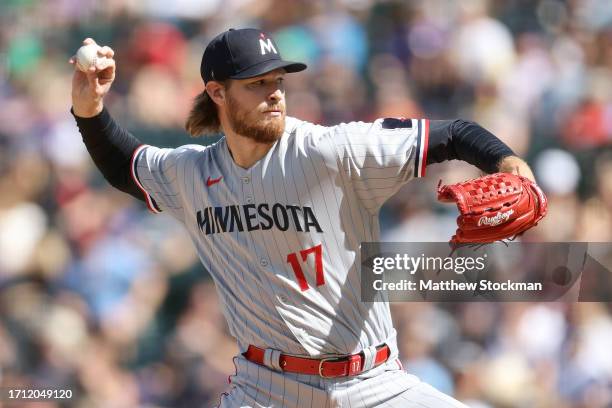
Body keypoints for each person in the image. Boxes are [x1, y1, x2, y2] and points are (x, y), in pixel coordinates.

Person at [70, 28, 534, 408]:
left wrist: (508, 163)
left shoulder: (328, 150)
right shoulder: (192, 172)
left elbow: (454, 133)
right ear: (217, 92)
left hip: (372, 384)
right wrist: (89, 109)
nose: (274, 94)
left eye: (278, 81)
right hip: (265, 389)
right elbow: (126, 166)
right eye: (256, 84)